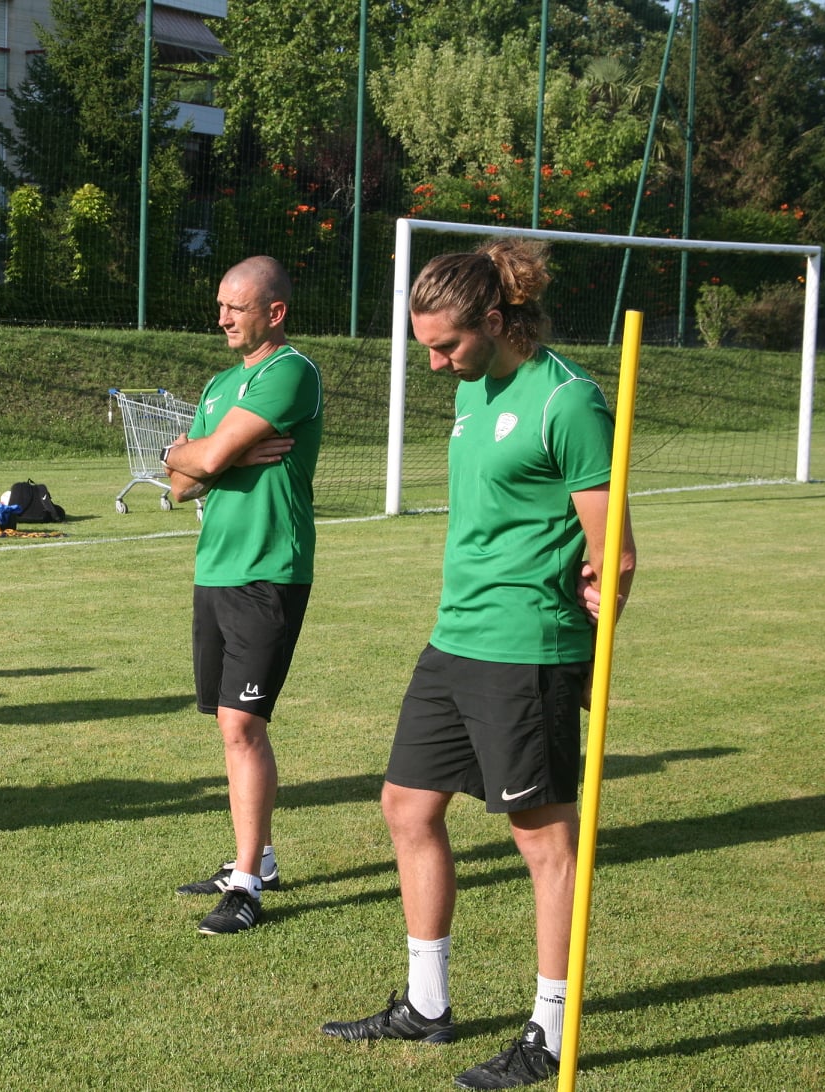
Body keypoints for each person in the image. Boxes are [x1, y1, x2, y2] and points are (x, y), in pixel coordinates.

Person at [319, 238, 637, 1089]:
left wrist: (596, 618)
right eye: (424, 344)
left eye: (446, 345)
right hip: (455, 637)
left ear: (495, 321)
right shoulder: (475, 387)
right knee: (406, 806)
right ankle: (428, 1004)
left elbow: (617, 555)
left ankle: (548, 1033)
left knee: (544, 845)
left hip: (528, 648)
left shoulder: (566, 402)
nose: (432, 363)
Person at [162, 255, 322, 934]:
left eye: (236, 306)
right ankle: (258, 857)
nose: (222, 317)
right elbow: (178, 480)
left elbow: (196, 460)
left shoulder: (288, 372)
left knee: (242, 725)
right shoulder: (220, 383)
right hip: (215, 569)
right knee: (227, 725)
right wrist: (204, 454)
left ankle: (248, 884)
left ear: (274, 312)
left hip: (268, 570)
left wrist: (203, 455)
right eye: (220, 305)